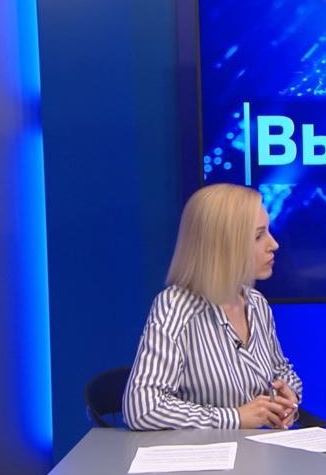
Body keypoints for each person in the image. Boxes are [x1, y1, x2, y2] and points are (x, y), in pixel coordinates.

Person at [123, 183, 308, 430]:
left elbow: (281, 371)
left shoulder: (256, 303)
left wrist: (289, 397)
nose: (273, 244)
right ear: (223, 246)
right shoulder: (176, 307)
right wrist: (234, 418)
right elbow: (142, 408)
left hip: (255, 448)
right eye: (258, 236)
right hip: (201, 453)